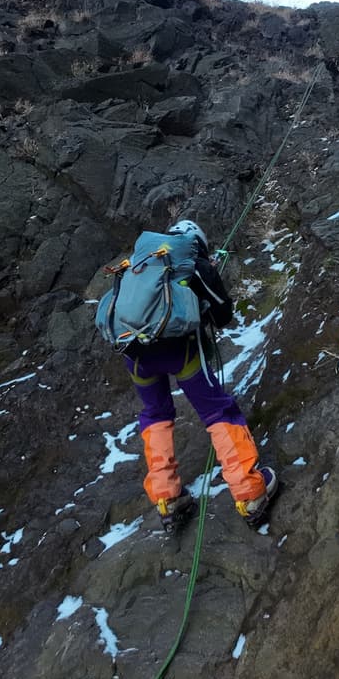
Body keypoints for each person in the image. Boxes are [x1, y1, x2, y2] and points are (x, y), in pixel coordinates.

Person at [118, 220, 281, 537]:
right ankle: (249, 493)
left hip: (133, 353)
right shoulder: (194, 263)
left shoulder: (143, 261)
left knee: (155, 414)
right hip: (181, 351)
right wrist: (208, 276)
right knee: (217, 411)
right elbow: (223, 315)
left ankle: (167, 499)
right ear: (199, 244)